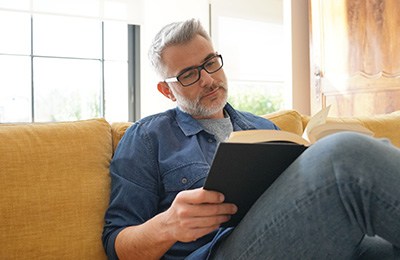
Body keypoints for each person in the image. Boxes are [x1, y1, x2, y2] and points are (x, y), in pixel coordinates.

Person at [102, 19, 400, 259]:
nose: (207, 79)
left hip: (295, 237)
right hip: (217, 251)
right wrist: (168, 225)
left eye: (210, 63)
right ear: (167, 91)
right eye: (189, 75)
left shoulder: (263, 128)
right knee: (344, 155)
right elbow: (117, 245)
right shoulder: (146, 137)